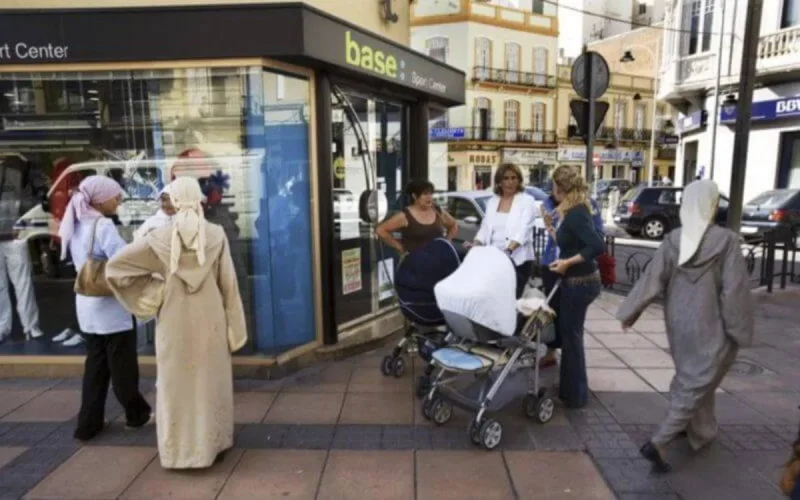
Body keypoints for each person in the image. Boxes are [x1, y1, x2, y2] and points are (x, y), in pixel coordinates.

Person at [106, 176, 247, 469]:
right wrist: (235, 329)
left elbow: (115, 268)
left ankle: (179, 454)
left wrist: (154, 294)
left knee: (177, 386)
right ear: (198, 199)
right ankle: (213, 445)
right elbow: (228, 285)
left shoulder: (158, 238)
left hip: (174, 318)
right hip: (211, 319)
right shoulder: (216, 234)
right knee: (210, 382)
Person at [616, 180, 754, 473]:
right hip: (710, 320)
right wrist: (739, 329)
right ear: (712, 205)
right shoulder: (727, 242)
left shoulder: (674, 239)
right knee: (698, 380)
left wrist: (631, 312)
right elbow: (735, 291)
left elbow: (652, 278)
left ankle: (701, 431)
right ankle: (660, 441)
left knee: (692, 375)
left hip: (678, 320)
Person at [57, 176, 152, 441]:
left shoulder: (75, 222)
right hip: (110, 305)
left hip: (86, 303)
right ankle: (137, 414)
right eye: (115, 197)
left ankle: (88, 423)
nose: (119, 201)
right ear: (100, 200)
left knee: (95, 367)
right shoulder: (102, 225)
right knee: (122, 367)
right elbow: (123, 259)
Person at [546, 165, 605, 409]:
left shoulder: (577, 212)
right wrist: (552, 229)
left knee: (572, 337)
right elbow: (569, 242)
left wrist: (567, 263)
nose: (551, 190)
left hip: (581, 282)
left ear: (559, 187)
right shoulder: (571, 211)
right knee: (570, 335)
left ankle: (576, 395)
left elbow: (597, 245)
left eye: (553, 185)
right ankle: (570, 390)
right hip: (577, 281)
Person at [467, 163, 537, 299]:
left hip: (517, 260)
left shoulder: (527, 201)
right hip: (494, 260)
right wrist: (476, 243)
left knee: (510, 301)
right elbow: (485, 228)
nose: (510, 182)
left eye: (514, 178)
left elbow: (524, 231)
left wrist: (508, 251)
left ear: (519, 180)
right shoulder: (493, 202)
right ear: (499, 181)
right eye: (506, 178)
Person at [0, 154, 45, 343]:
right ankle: (27, 327)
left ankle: (26, 326)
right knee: (20, 284)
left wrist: (25, 225)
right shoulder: (19, 167)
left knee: (20, 284)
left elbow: (36, 199)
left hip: (14, 235)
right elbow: (36, 198)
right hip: (14, 234)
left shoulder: (19, 167)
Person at [376, 179, 458, 255]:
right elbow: (380, 230)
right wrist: (399, 246)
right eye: (425, 194)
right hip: (415, 263)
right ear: (415, 196)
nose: (429, 197)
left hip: (438, 260)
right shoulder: (405, 216)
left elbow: (453, 225)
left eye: (431, 193)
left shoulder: (437, 211)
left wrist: (447, 242)